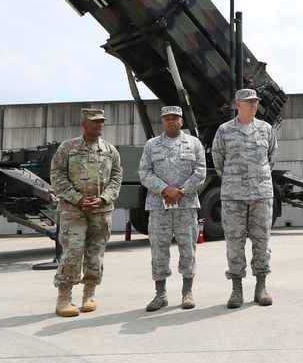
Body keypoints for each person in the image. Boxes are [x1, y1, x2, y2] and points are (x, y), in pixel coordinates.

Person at [50, 108, 123, 317]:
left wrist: (103, 199)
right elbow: (57, 177)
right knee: (73, 252)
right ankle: (64, 298)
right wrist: (79, 199)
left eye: (101, 121)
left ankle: (89, 294)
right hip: (73, 211)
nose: (99, 124)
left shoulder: (110, 150)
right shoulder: (68, 148)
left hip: (101, 211)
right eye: (95, 121)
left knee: (95, 254)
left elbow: (117, 177)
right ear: (84, 123)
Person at [211, 88, 278, 308]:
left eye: (255, 102)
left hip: (261, 195)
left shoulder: (266, 129)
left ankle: (261, 286)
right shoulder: (224, 131)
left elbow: (271, 159)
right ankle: (236, 288)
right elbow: (218, 161)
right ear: (238, 104)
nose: (254, 105)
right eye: (249, 102)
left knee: (262, 242)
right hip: (233, 197)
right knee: (234, 243)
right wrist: (234, 181)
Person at [138, 106, 206, 311]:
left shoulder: (193, 143)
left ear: (182, 122)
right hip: (159, 206)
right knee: (158, 249)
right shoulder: (152, 145)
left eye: (174, 118)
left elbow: (200, 172)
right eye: (166, 118)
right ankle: (160, 293)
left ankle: (187, 291)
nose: (170, 121)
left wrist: (181, 191)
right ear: (162, 122)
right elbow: (144, 173)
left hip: (186, 206)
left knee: (188, 248)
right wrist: (165, 189)